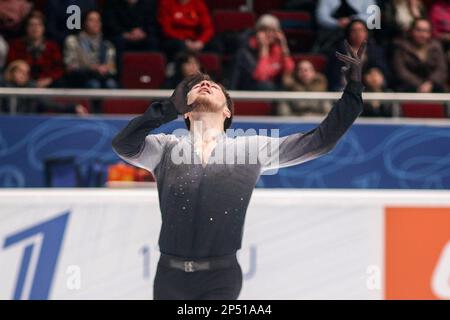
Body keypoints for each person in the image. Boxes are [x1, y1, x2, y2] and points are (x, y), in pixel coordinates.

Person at [111, 41, 367, 300]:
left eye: (214, 86)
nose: (205, 84)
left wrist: (353, 91)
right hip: (169, 276)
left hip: (220, 279)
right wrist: (165, 111)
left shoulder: (251, 149)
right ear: (185, 112)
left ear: (227, 111)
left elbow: (319, 142)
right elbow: (123, 145)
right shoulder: (165, 148)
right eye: (196, 86)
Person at [230, 14, 294, 90]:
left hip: (273, 92)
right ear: (257, 32)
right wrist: (264, 49)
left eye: (273, 30)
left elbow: (289, 70)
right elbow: (261, 77)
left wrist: (284, 46)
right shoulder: (245, 53)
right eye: (265, 30)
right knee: (266, 86)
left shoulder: (278, 50)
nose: (269, 34)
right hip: (251, 93)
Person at [0, 60, 88, 115]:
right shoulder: (2, 87)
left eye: (26, 73)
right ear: (11, 72)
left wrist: (73, 108)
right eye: (20, 72)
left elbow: (51, 105)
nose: (23, 75)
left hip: (25, 125)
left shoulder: (31, 90)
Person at [327, 19, 391, 91]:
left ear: (366, 32)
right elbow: (333, 74)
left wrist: (374, 72)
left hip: (369, 85)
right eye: (354, 31)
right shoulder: (339, 51)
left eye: (361, 30)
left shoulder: (375, 51)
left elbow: (384, 70)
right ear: (348, 33)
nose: (358, 33)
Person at [7, 11, 64, 88]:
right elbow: (11, 65)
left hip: (47, 82)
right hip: (21, 81)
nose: (35, 28)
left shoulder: (52, 46)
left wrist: (49, 79)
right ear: (26, 28)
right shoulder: (16, 45)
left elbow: (59, 68)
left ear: (43, 28)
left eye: (38, 25)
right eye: (31, 25)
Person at [63, 10, 118, 89]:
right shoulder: (72, 41)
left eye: (98, 20)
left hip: (102, 78)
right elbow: (70, 67)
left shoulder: (107, 45)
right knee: (94, 84)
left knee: (111, 84)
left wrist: (105, 68)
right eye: (91, 20)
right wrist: (92, 68)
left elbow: (112, 69)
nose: (96, 23)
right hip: (80, 79)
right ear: (84, 23)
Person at [393, 18, 448, 93]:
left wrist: (430, 83)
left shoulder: (436, 47)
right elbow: (401, 71)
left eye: (425, 31)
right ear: (411, 31)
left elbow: (441, 69)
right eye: (418, 30)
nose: (422, 34)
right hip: (408, 87)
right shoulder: (401, 47)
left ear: (430, 33)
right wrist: (420, 84)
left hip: (434, 86)